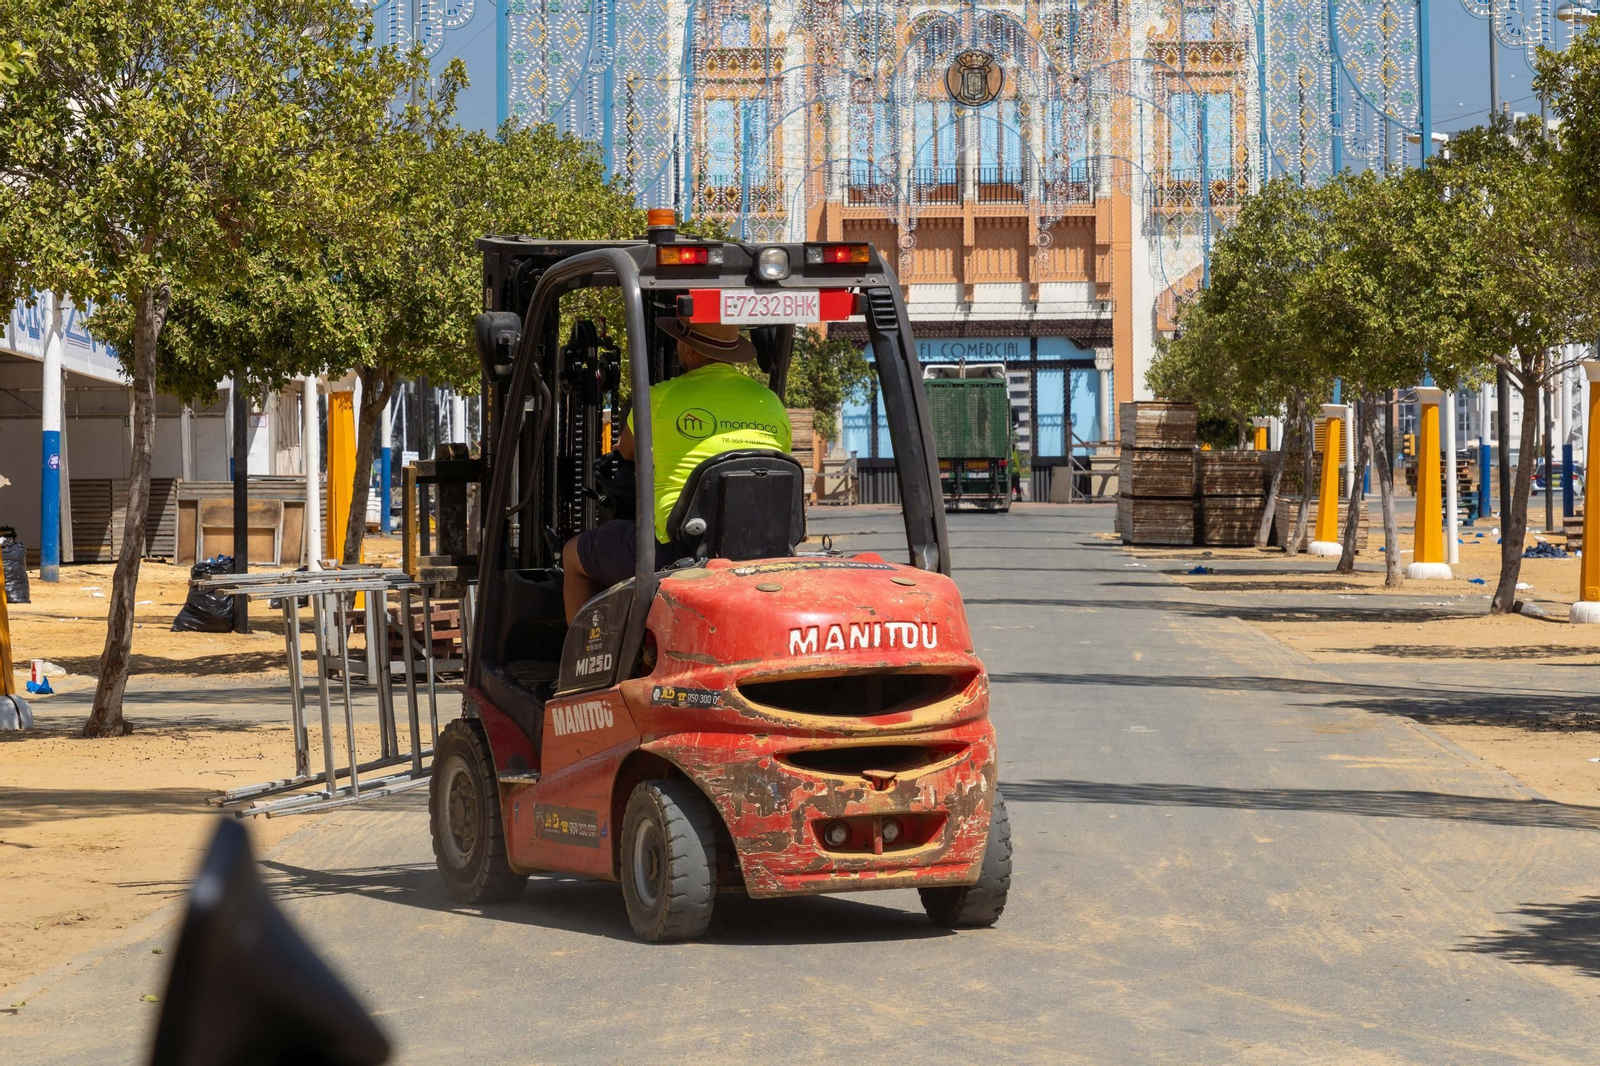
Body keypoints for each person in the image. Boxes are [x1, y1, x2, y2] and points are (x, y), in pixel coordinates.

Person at [561, 318, 792, 620]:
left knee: (573, 554)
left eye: (681, 342)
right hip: (760, 549)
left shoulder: (657, 398)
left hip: (679, 550)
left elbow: (627, 451)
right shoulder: (771, 402)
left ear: (689, 349)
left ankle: (584, 660)